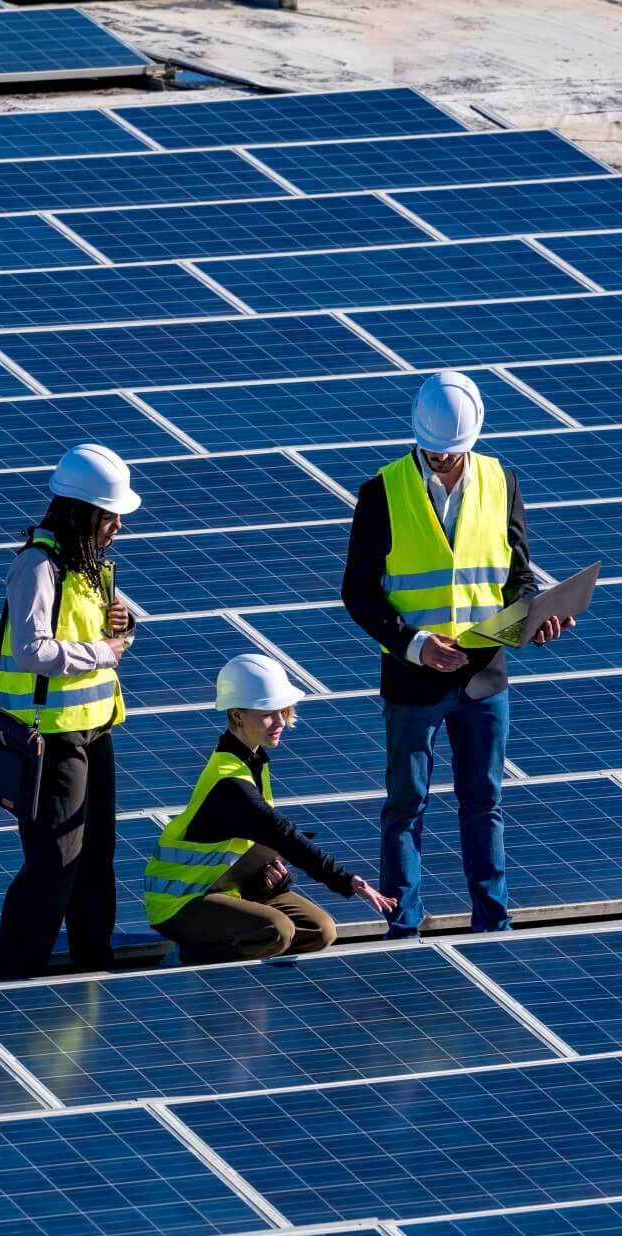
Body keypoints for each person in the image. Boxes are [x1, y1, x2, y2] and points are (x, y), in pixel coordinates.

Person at [341, 369, 573, 939]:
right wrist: (416, 645)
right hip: (412, 679)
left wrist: (535, 618)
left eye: (449, 451)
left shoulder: (501, 480)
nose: (440, 459)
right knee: (405, 807)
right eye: (431, 450)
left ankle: (494, 923)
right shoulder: (382, 492)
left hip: (484, 677)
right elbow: (358, 593)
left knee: (484, 802)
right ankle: (403, 926)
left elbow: (517, 577)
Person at [0, 443, 138, 979]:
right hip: (51, 740)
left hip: (94, 733)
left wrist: (123, 626)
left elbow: (95, 637)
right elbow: (34, 651)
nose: (117, 526)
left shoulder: (87, 565)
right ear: (81, 512)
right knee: (54, 864)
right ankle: (16, 974)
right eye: (109, 515)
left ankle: (93, 963)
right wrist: (104, 651)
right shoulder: (37, 565)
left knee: (95, 858)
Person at [143, 653, 394, 965]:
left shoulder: (253, 762)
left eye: (282, 711)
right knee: (277, 931)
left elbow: (252, 842)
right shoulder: (229, 782)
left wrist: (264, 875)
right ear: (237, 715)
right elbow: (280, 833)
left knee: (321, 931)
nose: (280, 722)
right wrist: (345, 879)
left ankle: (236, 939)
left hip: (227, 888)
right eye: (267, 714)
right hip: (181, 903)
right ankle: (187, 956)